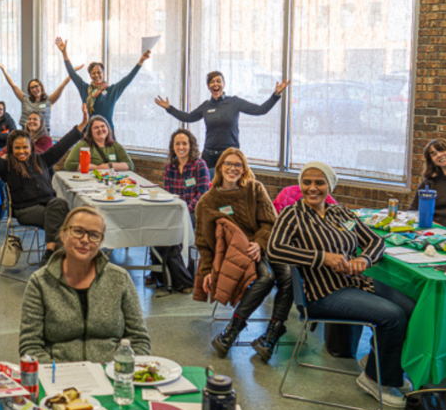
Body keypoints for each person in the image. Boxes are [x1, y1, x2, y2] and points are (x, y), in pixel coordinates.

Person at [268, 161, 412, 408]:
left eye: (319, 183)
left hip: (355, 283)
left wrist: (364, 259)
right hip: (322, 293)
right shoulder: (292, 214)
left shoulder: (341, 212)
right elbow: (274, 249)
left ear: (330, 186)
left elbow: (377, 241)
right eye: (307, 182)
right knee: (393, 316)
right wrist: (322, 257)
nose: (312, 188)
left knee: (409, 306)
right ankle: (377, 380)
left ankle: (378, 362)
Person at [195, 149, 293, 362]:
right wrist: (206, 271)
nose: (233, 168)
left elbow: (270, 222)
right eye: (228, 164)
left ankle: (270, 337)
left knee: (288, 277)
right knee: (265, 278)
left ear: (244, 168)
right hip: (237, 252)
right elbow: (203, 241)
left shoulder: (255, 188)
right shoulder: (207, 201)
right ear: (220, 167)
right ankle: (230, 332)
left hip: (264, 243)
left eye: (238, 165)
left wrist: (259, 243)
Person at [20, 206, 151, 362]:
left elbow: (139, 339)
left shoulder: (120, 279)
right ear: (63, 235)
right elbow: (30, 346)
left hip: (113, 374)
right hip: (58, 376)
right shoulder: (40, 282)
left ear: (101, 242)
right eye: (78, 231)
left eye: (94, 235)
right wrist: (56, 374)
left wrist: (122, 370)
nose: (84, 240)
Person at [0, 104, 89, 259]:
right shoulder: (6, 166)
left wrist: (83, 123)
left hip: (49, 206)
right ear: (12, 149)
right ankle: (62, 259)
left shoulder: (41, 160)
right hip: (26, 210)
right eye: (17, 148)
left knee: (59, 209)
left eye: (25, 148)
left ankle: (51, 254)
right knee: (64, 215)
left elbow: (63, 144)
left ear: (31, 147)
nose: (21, 151)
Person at [155, 71, 290, 173]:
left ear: (223, 84)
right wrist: (169, 108)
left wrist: (275, 95)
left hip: (229, 154)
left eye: (218, 81)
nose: (215, 84)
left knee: (228, 189)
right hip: (209, 155)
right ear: (208, 86)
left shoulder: (234, 102)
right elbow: (189, 118)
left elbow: (261, 110)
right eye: (212, 82)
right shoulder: (206, 106)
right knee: (207, 189)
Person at [148, 128, 209, 292]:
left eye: (184, 143)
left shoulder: (199, 165)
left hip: (194, 212)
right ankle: (166, 276)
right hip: (176, 211)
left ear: (191, 146)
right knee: (155, 228)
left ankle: (179, 280)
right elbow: (168, 194)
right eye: (177, 144)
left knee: (172, 232)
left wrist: (185, 209)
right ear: (173, 147)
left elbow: (203, 195)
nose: (181, 147)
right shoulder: (170, 168)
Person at [55, 37, 151, 130]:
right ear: (90, 75)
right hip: (89, 133)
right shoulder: (84, 89)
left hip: (107, 132)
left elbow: (129, 78)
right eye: (93, 73)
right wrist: (64, 53)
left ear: (103, 74)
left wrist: (141, 61)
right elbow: (72, 73)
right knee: (83, 147)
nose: (96, 75)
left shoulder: (112, 91)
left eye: (99, 72)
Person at [0, 61, 77, 129]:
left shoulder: (49, 100)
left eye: (36, 86)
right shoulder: (26, 100)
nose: (34, 89)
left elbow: (62, 86)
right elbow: (13, 86)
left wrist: (72, 73)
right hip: (27, 134)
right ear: (29, 90)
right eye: (32, 88)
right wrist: (4, 70)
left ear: (41, 87)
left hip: (43, 135)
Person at [63, 116, 134, 172]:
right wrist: (96, 168)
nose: (100, 129)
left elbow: (129, 165)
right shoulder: (83, 145)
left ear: (108, 128)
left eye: (103, 126)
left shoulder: (115, 145)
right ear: (90, 131)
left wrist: (109, 166)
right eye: (96, 127)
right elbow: (69, 165)